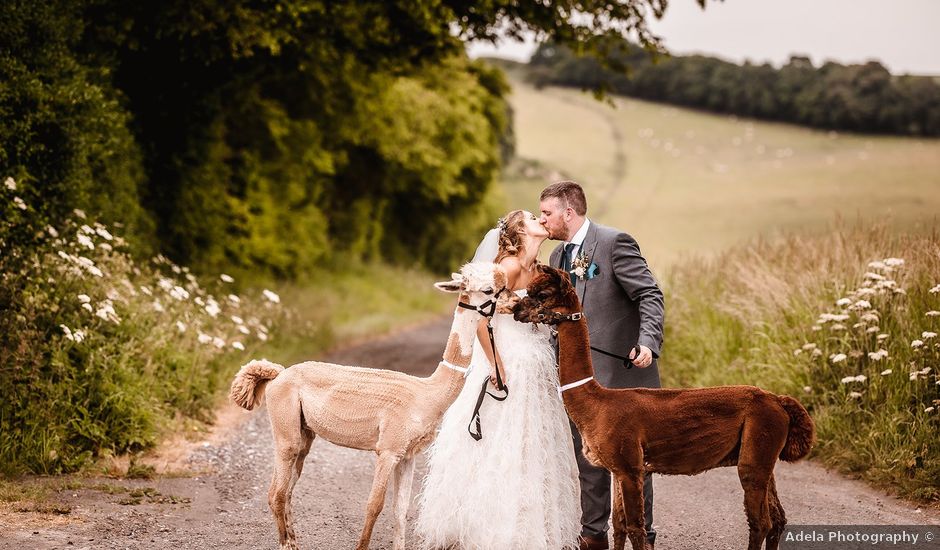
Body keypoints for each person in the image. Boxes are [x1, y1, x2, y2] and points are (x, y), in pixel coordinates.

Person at [416, 209, 581, 550]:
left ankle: (526, 526)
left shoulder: (539, 270)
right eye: (533, 217)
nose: (540, 218)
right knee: (497, 441)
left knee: (531, 444)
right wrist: (495, 364)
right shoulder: (504, 268)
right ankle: (484, 529)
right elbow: (476, 315)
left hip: (536, 363)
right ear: (521, 231)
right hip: (505, 360)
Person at [539, 181, 665, 550]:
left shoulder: (614, 243)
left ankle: (643, 536)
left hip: (620, 377)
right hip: (578, 383)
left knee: (632, 465)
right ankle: (593, 536)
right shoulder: (557, 258)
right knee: (588, 458)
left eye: (547, 213)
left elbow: (649, 294)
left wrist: (648, 341)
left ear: (568, 212)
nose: (542, 219)